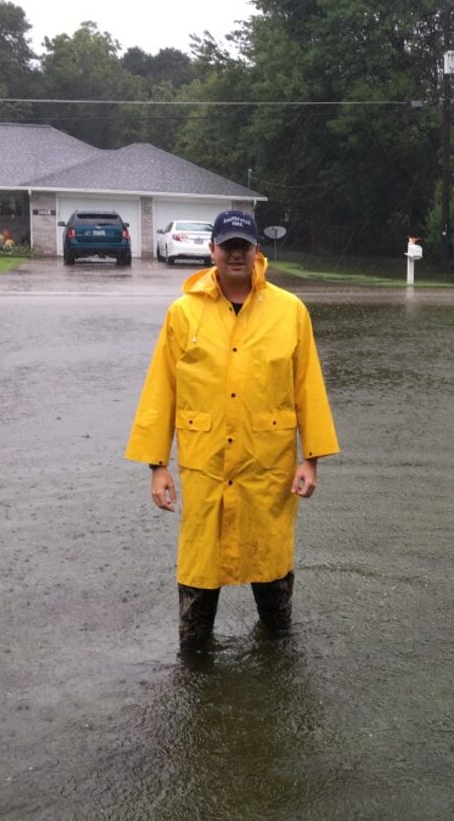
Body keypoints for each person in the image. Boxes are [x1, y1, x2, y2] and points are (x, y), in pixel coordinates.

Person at [125, 208, 339, 648]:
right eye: (228, 246)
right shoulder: (183, 314)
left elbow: (308, 388)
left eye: (244, 246)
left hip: (269, 470)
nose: (236, 255)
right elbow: (160, 390)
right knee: (200, 572)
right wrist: (157, 466)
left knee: (272, 574)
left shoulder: (290, 311)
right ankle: (196, 658)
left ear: (256, 250)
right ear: (213, 251)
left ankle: (276, 655)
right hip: (205, 469)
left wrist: (311, 459)